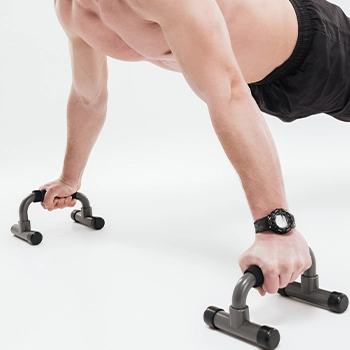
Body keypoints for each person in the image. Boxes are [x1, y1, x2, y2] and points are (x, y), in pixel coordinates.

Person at [40, 0, 349, 296]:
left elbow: (227, 92)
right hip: (256, 89)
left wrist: (275, 227)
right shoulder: (72, 10)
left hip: (316, 54)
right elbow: (87, 97)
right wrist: (69, 178)